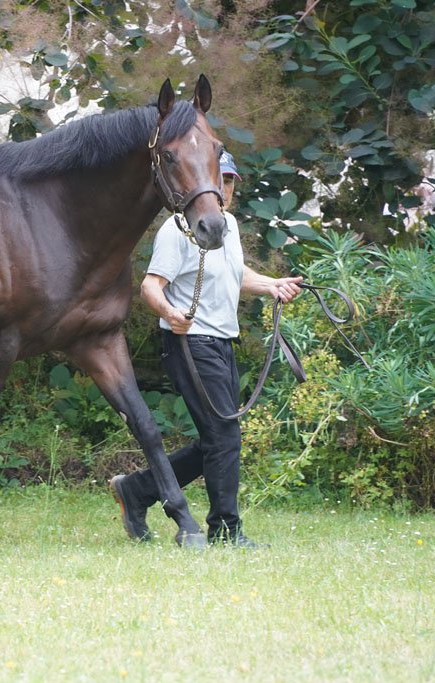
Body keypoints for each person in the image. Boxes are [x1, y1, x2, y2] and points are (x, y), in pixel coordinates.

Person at [110, 151, 302, 548]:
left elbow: (234, 274)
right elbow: (151, 286)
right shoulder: (178, 229)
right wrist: (170, 313)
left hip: (222, 343)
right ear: (205, 181)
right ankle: (225, 530)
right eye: (219, 180)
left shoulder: (227, 225)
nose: (224, 188)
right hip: (190, 343)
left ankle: (138, 490)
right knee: (224, 437)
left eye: (229, 181)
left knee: (219, 439)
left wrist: (271, 285)